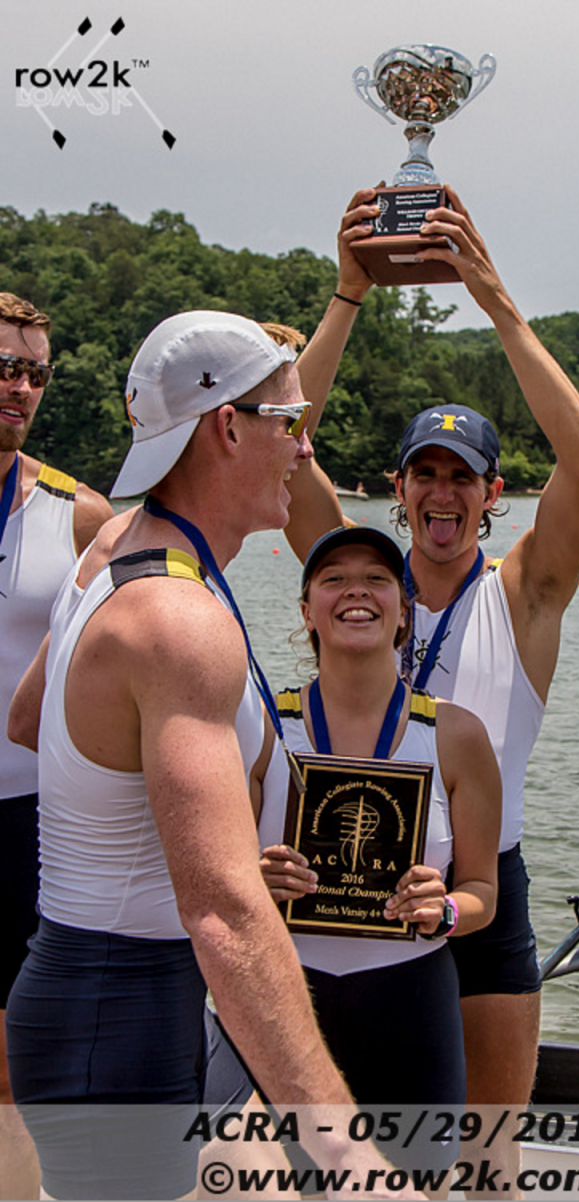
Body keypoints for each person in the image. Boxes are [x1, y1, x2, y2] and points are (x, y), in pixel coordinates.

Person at [5, 311, 420, 1201]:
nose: (305, 451)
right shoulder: (180, 620)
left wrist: (193, 827)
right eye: (291, 423)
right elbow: (226, 917)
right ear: (228, 426)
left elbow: (33, 719)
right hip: (118, 1013)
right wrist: (352, 1160)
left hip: (111, 989)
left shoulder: (117, 546)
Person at [291, 187, 579, 1191]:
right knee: (342, 1156)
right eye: (421, 473)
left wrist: (494, 300)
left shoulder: (522, 593)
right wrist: (346, 296)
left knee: (484, 1155)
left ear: (489, 492)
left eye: (459, 475)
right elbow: (283, 445)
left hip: (479, 888)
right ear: (396, 489)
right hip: (346, 898)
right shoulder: (354, 583)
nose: (439, 492)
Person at [206, 524, 500, 1176]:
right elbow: (217, 882)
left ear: (404, 612)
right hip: (281, 997)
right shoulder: (257, 724)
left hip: (410, 1006)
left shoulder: (456, 735)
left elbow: (483, 892)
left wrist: (444, 908)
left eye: (377, 579)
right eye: (334, 579)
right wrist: (257, 880)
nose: (356, 593)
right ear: (307, 611)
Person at [0, 292, 112, 1201]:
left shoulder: (81, 514)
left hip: (23, 823)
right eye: (5, 365)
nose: (21, 386)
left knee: (10, 1061)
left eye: (36, 372)